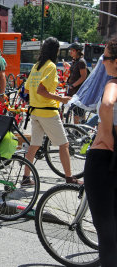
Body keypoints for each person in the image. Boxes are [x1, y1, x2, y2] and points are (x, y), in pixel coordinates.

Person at [23, 37, 80, 185]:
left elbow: (28, 88)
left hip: (35, 111)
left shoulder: (36, 66)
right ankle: (69, 178)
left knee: (34, 145)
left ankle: (26, 178)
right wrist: (61, 99)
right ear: (55, 50)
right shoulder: (51, 66)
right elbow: (42, 90)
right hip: (47, 112)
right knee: (64, 145)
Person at [84, 38, 117, 267]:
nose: (102, 63)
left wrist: (105, 136)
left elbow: (106, 105)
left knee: (107, 234)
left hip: (103, 160)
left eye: (104, 58)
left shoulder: (113, 82)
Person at [65, 42, 88, 124]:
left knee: (78, 113)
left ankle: (78, 132)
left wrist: (73, 85)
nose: (70, 52)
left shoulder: (81, 61)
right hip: (73, 91)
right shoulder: (75, 61)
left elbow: (83, 76)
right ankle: (77, 131)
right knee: (76, 112)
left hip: (78, 91)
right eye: (70, 50)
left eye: (72, 50)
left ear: (78, 51)